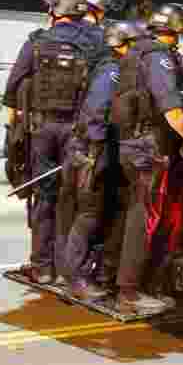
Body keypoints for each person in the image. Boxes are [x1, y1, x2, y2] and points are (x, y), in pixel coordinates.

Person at [4, 0, 103, 285]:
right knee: (72, 198)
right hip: (77, 131)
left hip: (42, 130)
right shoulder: (95, 43)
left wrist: (14, 137)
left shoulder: (37, 40)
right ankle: (69, 267)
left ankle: (42, 267)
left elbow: (13, 88)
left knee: (44, 197)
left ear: (55, 11)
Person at [110, 3, 183, 314]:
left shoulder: (139, 52)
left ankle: (123, 282)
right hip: (149, 146)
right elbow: (170, 107)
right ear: (178, 30)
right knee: (143, 216)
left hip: (131, 142)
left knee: (134, 211)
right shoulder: (159, 57)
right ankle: (129, 292)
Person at [58, 21, 136, 299]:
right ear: (121, 44)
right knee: (87, 215)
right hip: (92, 152)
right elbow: (96, 113)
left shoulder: (108, 68)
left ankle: (82, 272)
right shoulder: (113, 72)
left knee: (95, 213)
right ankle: (75, 278)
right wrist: (96, 149)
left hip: (92, 150)